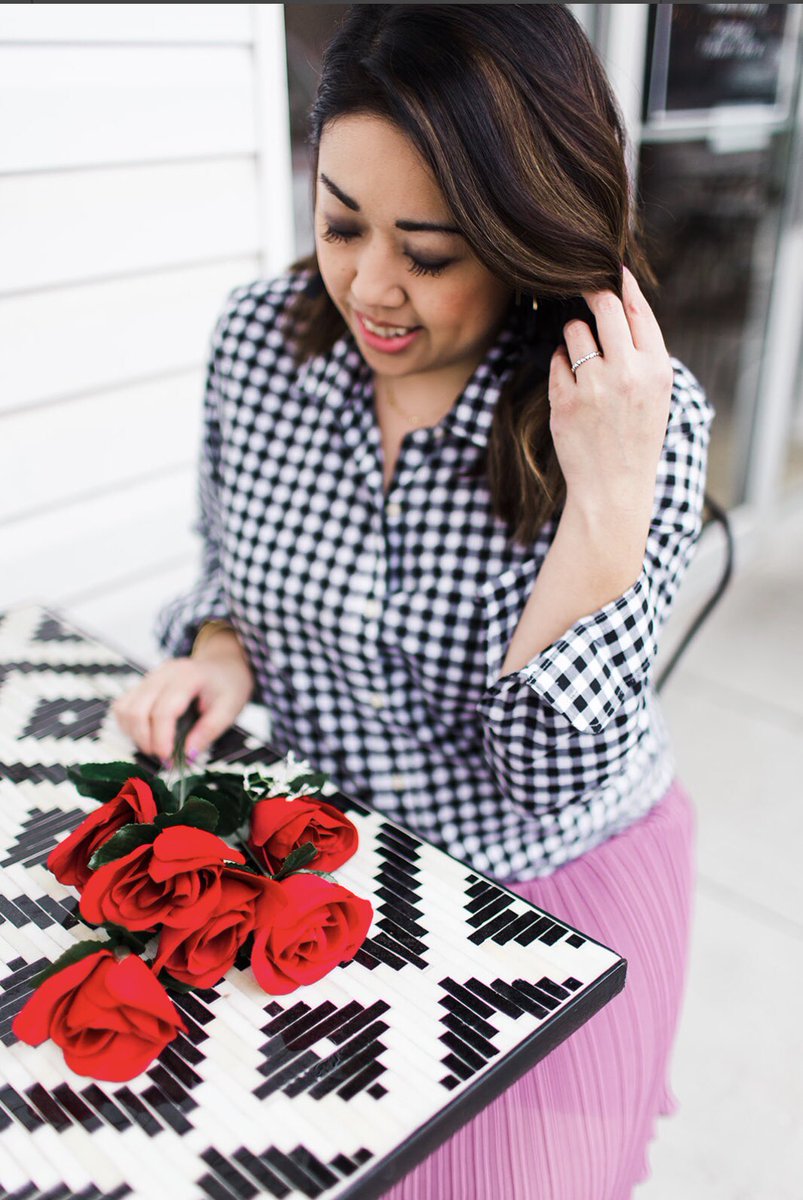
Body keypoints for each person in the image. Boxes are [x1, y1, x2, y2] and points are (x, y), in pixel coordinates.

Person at [112, 6, 714, 1198]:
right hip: (309, 879)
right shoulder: (257, 344)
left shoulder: (635, 418)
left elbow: (550, 775)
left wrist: (601, 504)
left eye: (427, 251)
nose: (368, 286)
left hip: (541, 893)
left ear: (526, 233)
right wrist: (224, 651)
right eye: (340, 223)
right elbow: (229, 560)